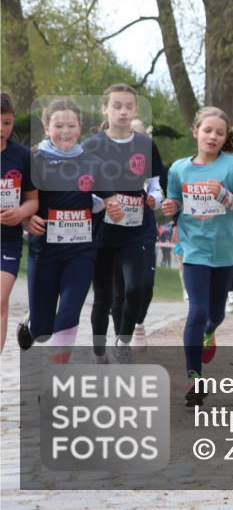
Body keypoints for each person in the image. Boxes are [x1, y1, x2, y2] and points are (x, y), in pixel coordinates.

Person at [161, 106, 233, 407]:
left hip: (225, 251)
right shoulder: (178, 169)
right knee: (197, 310)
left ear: (225, 137)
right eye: (207, 130)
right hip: (193, 249)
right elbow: (175, 204)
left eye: (219, 132)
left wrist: (225, 196)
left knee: (214, 315)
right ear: (196, 131)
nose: (213, 136)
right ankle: (195, 379)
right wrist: (169, 207)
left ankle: (210, 332)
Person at [22, 97, 123, 359]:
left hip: (81, 252)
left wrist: (115, 208)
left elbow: (112, 201)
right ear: (46, 127)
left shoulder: (93, 163)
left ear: (80, 128)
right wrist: (25, 219)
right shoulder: (33, 160)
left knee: (68, 314)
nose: (65, 132)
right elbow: (20, 201)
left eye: (71, 125)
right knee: (42, 331)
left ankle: (56, 384)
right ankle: (33, 319)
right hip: (44, 251)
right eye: (58, 125)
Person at [85, 84, 167, 363]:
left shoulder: (145, 145)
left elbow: (155, 184)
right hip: (103, 231)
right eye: (116, 106)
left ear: (135, 109)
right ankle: (98, 352)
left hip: (138, 229)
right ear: (105, 109)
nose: (123, 111)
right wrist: (104, 201)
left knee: (137, 287)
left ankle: (122, 339)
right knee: (103, 298)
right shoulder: (92, 145)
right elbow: (83, 187)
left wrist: (155, 198)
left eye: (128, 106)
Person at [1, 92, 39, 352]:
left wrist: (21, 212)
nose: (2, 129)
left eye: (7, 122)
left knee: (0, 300)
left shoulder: (22, 156)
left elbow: (33, 200)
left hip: (7, 241)